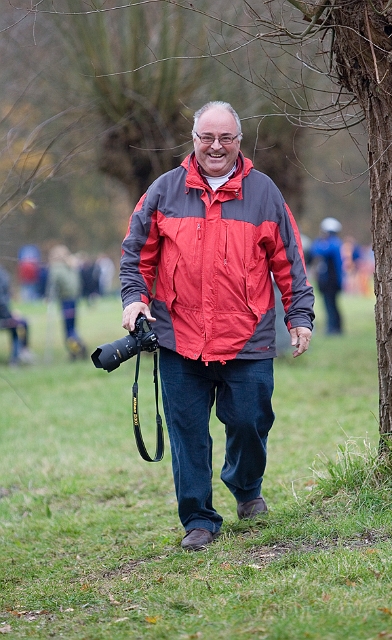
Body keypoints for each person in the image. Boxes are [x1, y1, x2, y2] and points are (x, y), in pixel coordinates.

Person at [120, 101, 315, 551]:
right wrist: (134, 300)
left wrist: (299, 316)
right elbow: (136, 256)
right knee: (187, 432)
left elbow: (290, 261)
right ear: (193, 140)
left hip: (247, 337)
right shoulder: (163, 191)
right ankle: (199, 519)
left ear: (238, 142)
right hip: (178, 337)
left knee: (250, 420)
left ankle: (245, 485)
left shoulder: (264, 193)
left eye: (225, 137)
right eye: (207, 137)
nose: (216, 146)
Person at [46, 245, 87, 360]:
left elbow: (52, 285)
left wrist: (49, 297)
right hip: (74, 299)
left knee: (68, 330)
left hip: (65, 300)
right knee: (72, 327)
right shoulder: (70, 265)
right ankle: (77, 348)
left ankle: (77, 349)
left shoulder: (56, 268)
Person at [310, 217, 344, 335]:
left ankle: (332, 328)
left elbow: (317, 250)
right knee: (331, 304)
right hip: (328, 281)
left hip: (330, 281)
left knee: (330, 305)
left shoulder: (331, 244)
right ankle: (335, 328)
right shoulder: (334, 243)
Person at [0, 265, 35, 365]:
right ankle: (15, 358)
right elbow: (2, 302)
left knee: (23, 322)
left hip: (5, 314)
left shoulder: (3, 274)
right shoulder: (2, 275)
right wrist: (9, 315)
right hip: (4, 317)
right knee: (15, 329)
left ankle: (23, 351)